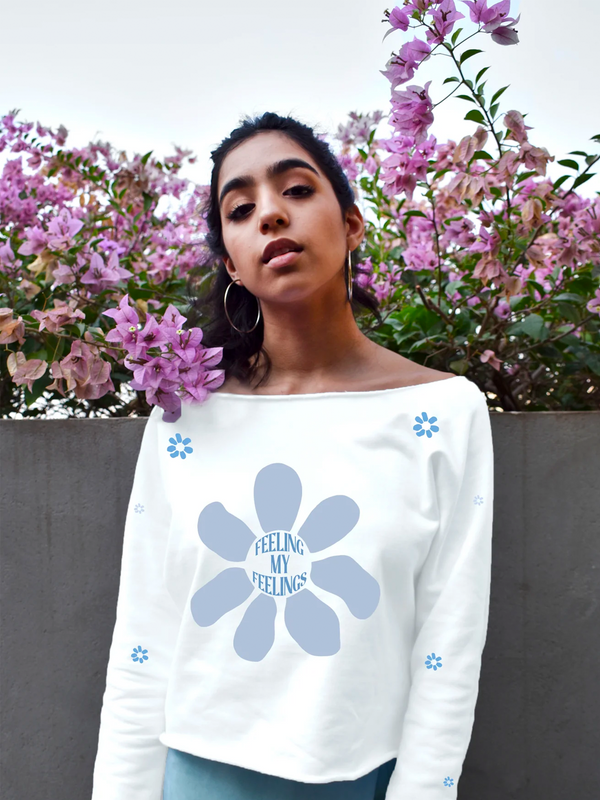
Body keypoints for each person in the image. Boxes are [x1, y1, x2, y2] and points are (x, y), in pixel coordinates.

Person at [91, 112, 495, 800]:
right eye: (240, 209)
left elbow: (449, 643)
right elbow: (144, 634)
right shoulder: (186, 418)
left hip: (364, 775)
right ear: (231, 262)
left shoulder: (444, 413)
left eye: (297, 190)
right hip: (197, 774)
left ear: (353, 223)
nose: (271, 215)